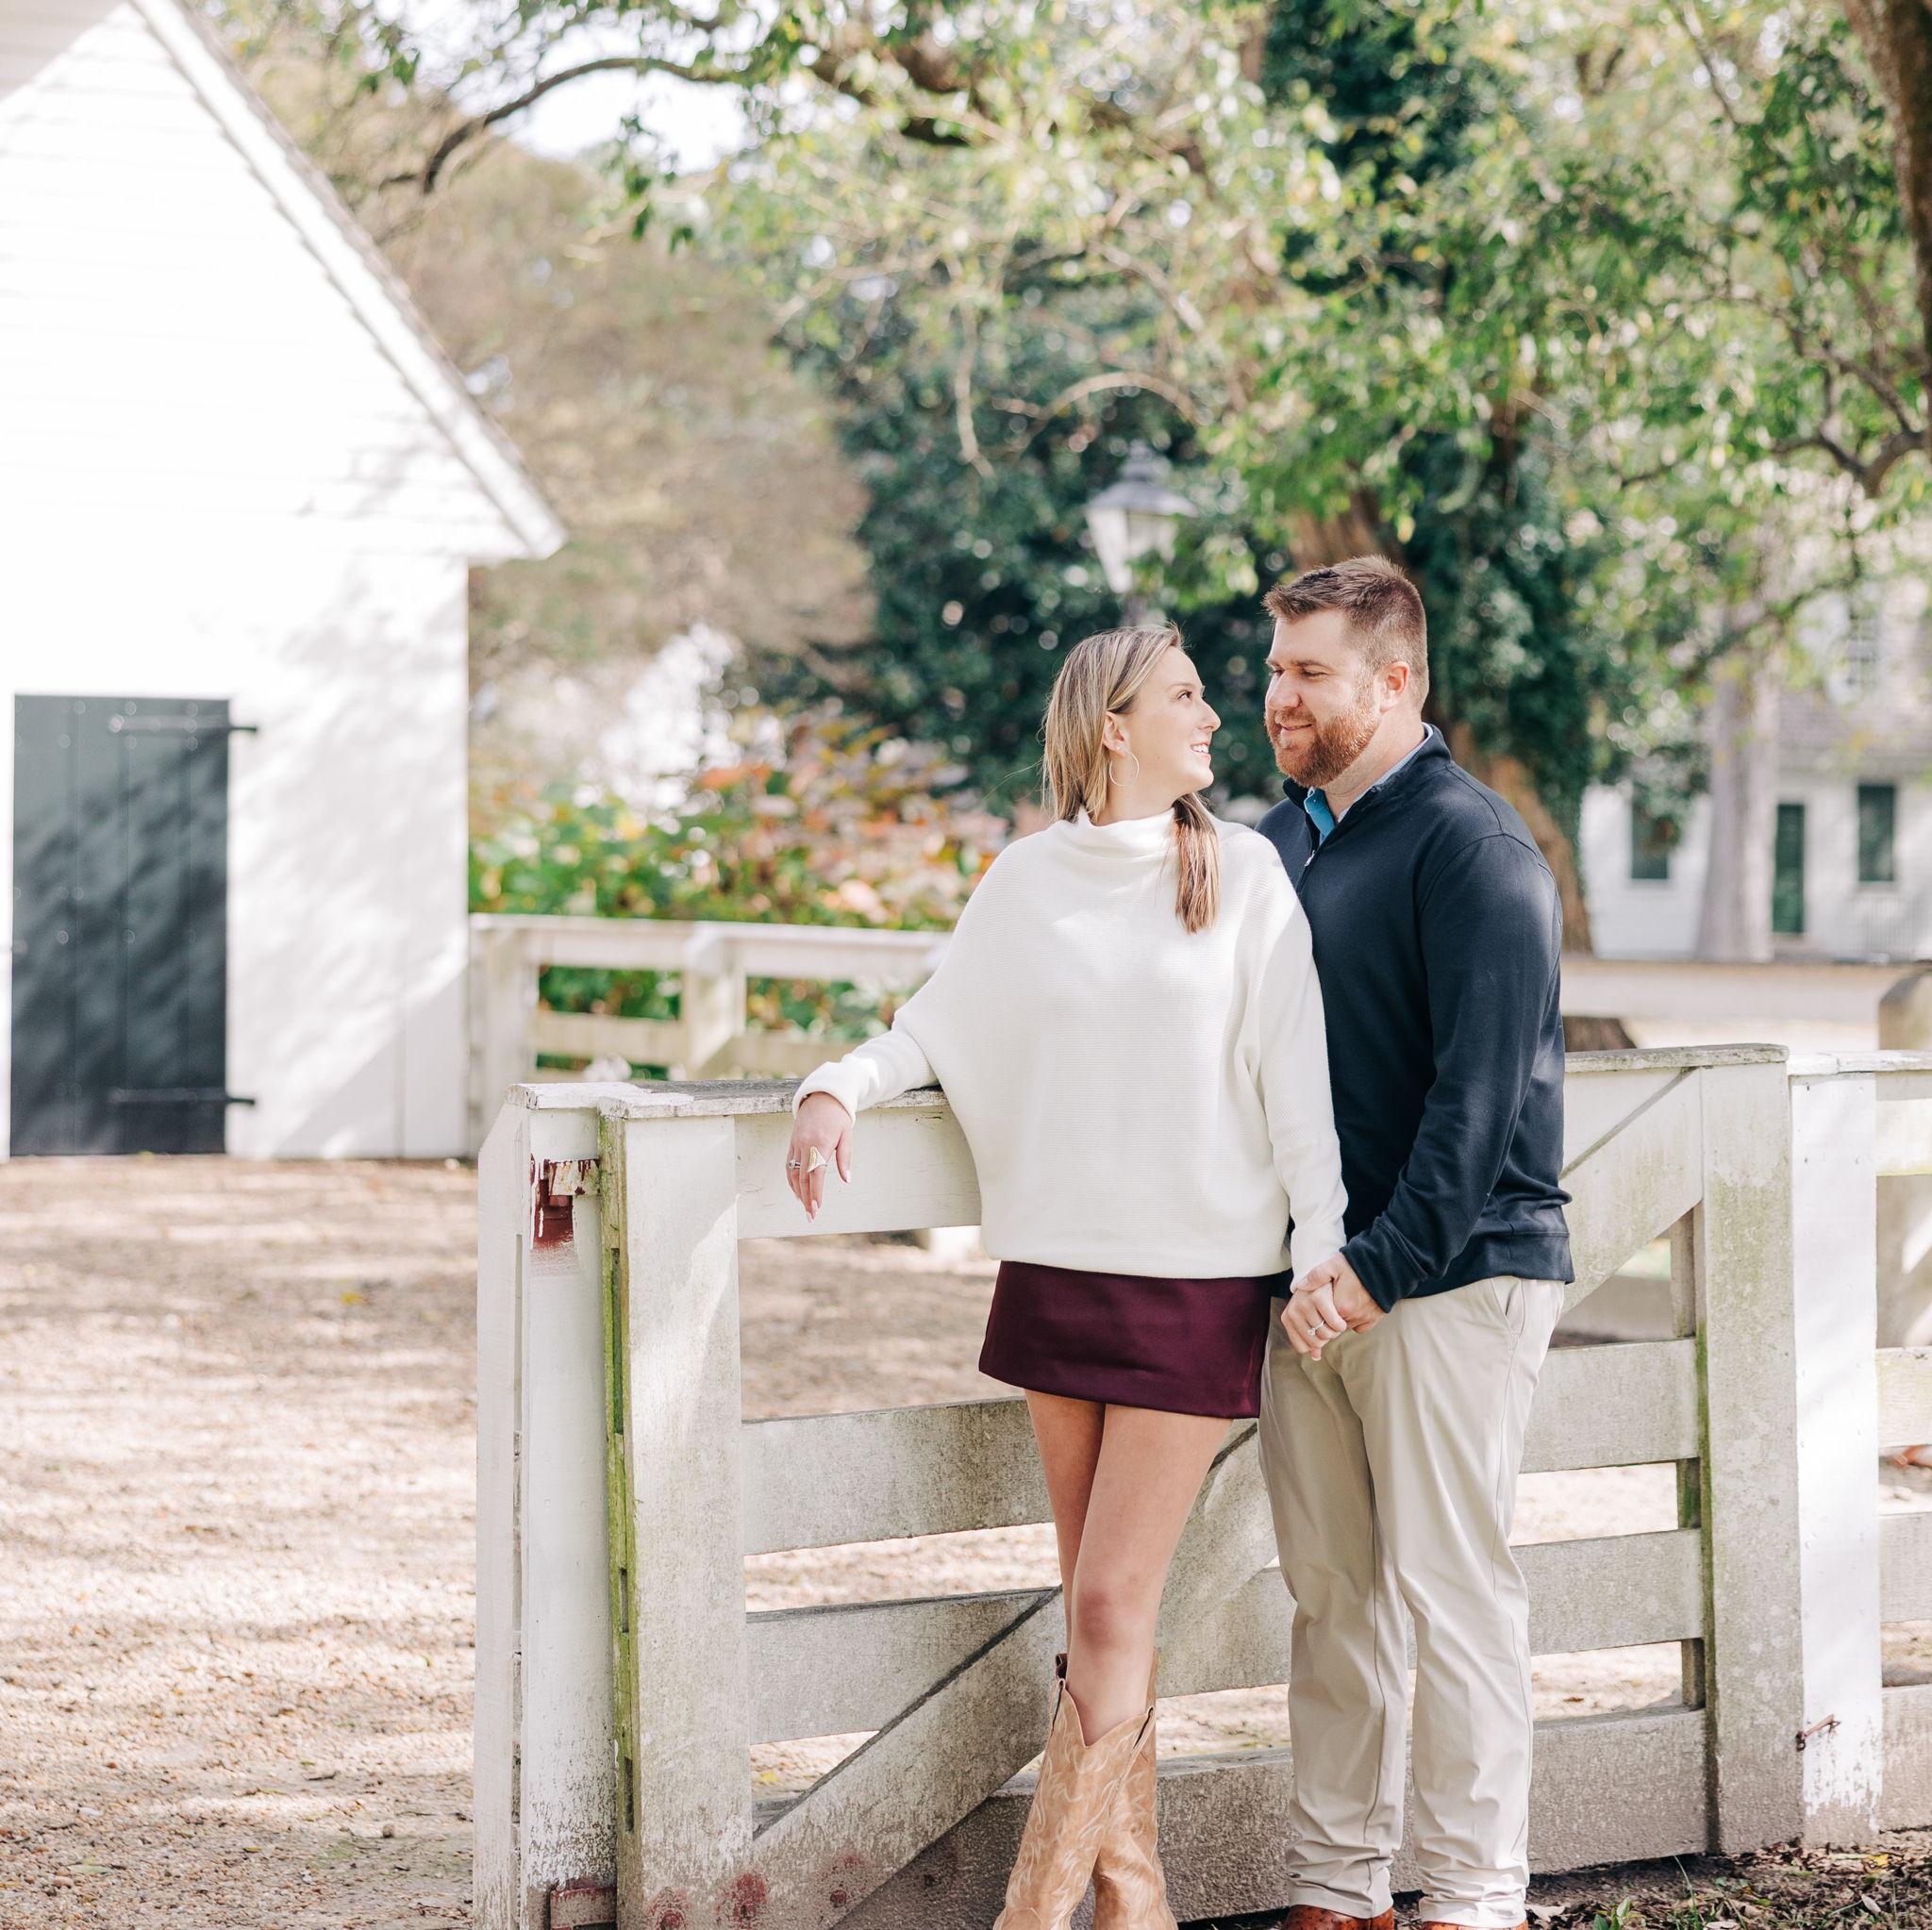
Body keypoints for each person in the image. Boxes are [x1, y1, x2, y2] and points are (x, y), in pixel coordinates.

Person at [784, 623, 1348, 1930]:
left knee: (1107, 1597)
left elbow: (1300, 1085)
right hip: (1057, 1274)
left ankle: (1034, 1916)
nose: (1216, 714)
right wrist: (833, 1087)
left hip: (1194, 1286)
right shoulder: (1027, 879)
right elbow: (934, 1028)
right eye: (1185, 695)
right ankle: (1133, 1904)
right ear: (1112, 725)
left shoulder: (1246, 872)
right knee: (1101, 1618)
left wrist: (1321, 1243)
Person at [1253, 557, 1574, 1930]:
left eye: (1308, 673)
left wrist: (1378, 1270)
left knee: (1454, 1596)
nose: (1279, 697)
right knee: (1332, 1600)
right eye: (1274, 670)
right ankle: (1338, 1891)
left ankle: (1473, 1898)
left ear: (1393, 683)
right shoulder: (1276, 846)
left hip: (1450, 1277)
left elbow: (1480, 1100)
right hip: (1306, 1289)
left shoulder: (1474, 847)